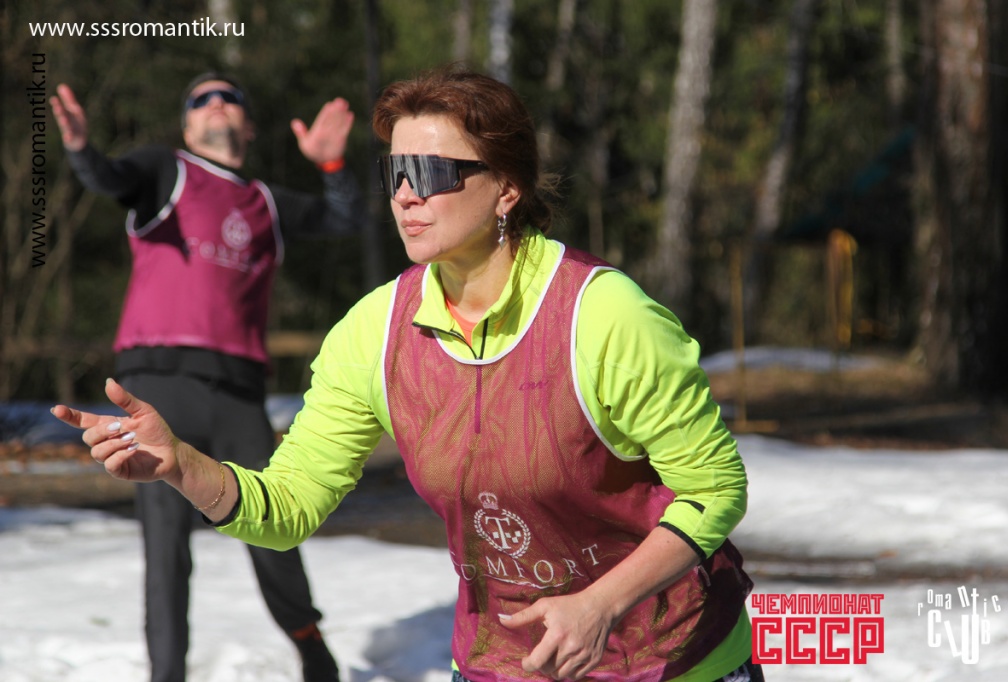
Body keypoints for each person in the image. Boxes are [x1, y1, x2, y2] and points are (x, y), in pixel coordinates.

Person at [53, 66, 762, 682]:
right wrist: (182, 466)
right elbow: (289, 506)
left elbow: (714, 488)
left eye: (430, 173)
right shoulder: (372, 333)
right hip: (495, 664)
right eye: (394, 173)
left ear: (506, 189)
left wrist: (600, 604)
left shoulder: (602, 314)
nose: (405, 195)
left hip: (673, 660)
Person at [48, 72, 362, 682]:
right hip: (156, 385)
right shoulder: (165, 171)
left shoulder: (267, 201)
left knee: (271, 522)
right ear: (188, 124)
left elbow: (346, 217)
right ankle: (167, 674)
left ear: (249, 125)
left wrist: (331, 165)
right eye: (201, 99)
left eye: (230, 97)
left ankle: (310, 645)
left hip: (238, 392)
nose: (216, 103)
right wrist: (82, 149)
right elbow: (108, 178)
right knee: (166, 546)